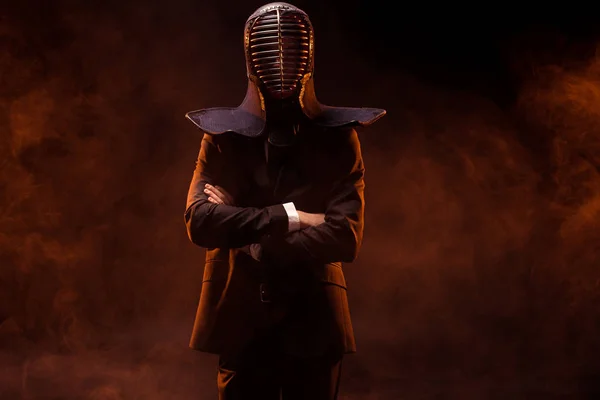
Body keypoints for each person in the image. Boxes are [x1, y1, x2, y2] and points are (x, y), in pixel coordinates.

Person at [183, 2, 385, 399]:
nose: (279, 59)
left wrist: (247, 229)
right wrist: (295, 217)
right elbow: (200, 220)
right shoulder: (223, 137)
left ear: (307, 57)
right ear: (250, 59)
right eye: (269, 49)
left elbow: (344, 235)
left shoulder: (338, 137)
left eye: (290, 49)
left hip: (314, 320)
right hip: (239, 316)